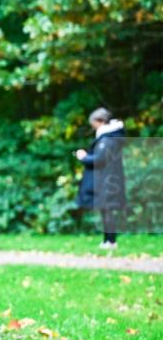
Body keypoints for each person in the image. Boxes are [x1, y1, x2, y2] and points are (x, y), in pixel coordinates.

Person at [76, 107, 126, 249]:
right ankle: (107, 240)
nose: (93, 126)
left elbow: (100, 159)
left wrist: (84, 157)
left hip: (107, 180)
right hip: (107, 179)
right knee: (105, 210)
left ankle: (111, 241)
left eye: (94, 123)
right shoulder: (110, 138)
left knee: (107, 210)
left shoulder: (108, 140)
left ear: (101, 121)